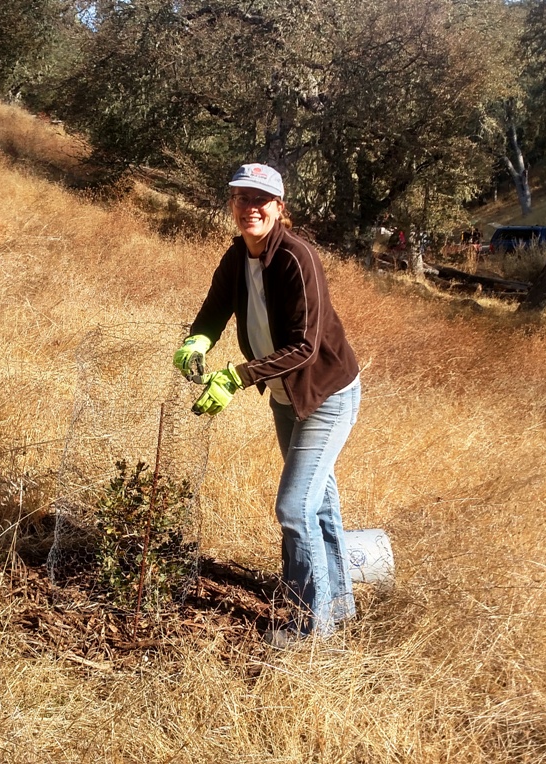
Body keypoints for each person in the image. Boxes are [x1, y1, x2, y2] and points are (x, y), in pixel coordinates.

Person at [172, 163, 362, 648]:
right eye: (241, 198)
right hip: (284, 396)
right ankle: (337, 606)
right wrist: (198, 341)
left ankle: (310, 630)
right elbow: (216, 309)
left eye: (261, 200)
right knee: (318, 505)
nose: (250, 208)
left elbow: (306, 346)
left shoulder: (297, 259)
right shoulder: (237, 256)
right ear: (232, 204)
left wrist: (235, 377)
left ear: (279, 208)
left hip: (325, 395)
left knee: (294, 508)